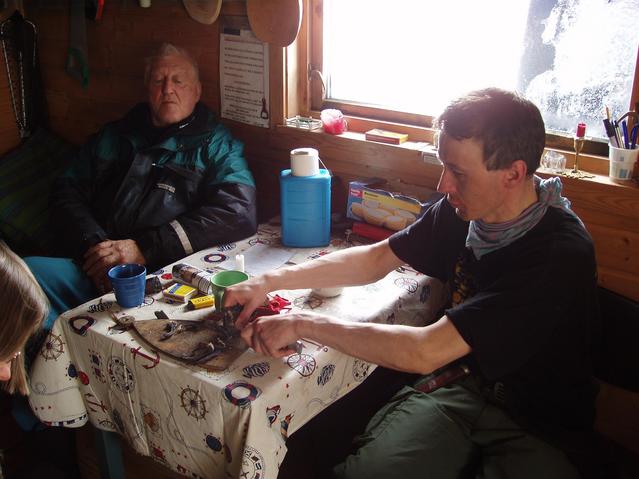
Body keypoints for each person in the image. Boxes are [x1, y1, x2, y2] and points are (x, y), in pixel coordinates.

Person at [224, 88, 600, 478]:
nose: (443, 185)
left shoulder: (558, 255)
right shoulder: (466, 211)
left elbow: (426, 351)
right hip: (459, 387)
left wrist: (302, 324)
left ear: (514, 174)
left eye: (458, 172)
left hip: (540, 421)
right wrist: (268, 281)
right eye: (444, 166)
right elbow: (376, 259)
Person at [25, 42, 257, 331]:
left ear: (197, 91)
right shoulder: (116, 135)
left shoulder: (216, 144)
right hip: (91, 269)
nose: (168, 89)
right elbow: (66, 191)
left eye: (179, 81)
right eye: (159, 80)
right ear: (148, 89)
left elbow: (239, 210)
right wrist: (96, 248)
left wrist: (145, 249)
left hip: (160, 280)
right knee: (18, 279)